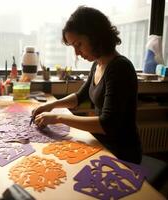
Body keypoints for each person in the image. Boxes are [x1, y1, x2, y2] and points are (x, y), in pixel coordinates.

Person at [32, 6, 142, 164]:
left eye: (78, 44)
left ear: (95, 36)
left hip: (121, 153)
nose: (76, 53)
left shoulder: (120, 68)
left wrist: (58, 117)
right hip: (102, 144)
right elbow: (79, 97)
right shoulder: (98, 64)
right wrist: (52, 105)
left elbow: (107, 124)